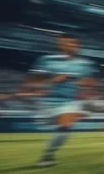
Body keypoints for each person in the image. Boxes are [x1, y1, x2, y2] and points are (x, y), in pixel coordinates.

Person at [26, 34, 97, 167]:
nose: (69, 46)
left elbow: (90, 82)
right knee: (56, 128)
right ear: (60, 45)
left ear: (77, 46)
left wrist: (84, 85)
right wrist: (54, 80)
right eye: (65, 43)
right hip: (46, 101)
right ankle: (49, 153)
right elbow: (33, 83)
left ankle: (48, 155)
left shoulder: (85, 64)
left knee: (65, 126)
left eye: (72, 43)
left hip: (68, 101)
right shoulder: (46, 60)